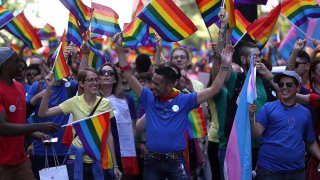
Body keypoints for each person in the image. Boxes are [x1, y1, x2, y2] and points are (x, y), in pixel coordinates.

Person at [113, 32, 233, 179]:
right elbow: (128, 75)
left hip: (177, 162)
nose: (152, 86)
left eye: (157, 84)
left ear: (169, 86)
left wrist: (225, 65)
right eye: (152, 82)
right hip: (152, 162)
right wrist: (119, 48)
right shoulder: (148, 97)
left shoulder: (184, 100)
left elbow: (214, 89)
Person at [38, 67, 122, 179]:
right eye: (90, 80)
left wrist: (115, 165)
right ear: (81, 83)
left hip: (99, 160)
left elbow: (109, 135)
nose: (95, 83)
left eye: (96, 80)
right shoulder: (74, 102)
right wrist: (49, 87)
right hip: (76, 159)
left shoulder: (105, 103)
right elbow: (43, 113)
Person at [0, 47, 61, 179]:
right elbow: (3, 127)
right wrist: (39, 126)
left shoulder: (19, 88)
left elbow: (18, 122)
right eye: (16, 61)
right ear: (5, 65)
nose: (21, 64)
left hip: (21, 161)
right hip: (2, 164)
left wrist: (36, 134)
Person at [249, 70, 320, 180]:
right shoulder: (268, 108)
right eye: (281, 84)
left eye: (289, 84)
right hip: (269, 171)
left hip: (297, 172)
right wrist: (250, 117)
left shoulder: (305, 113)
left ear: (297, 88)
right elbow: (255, 134)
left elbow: (310, 142)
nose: (284, 87)